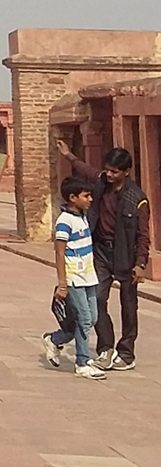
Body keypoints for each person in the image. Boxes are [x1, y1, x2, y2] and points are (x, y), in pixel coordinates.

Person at [56, 139, 150, 370]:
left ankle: (126, 352)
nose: (108, 174)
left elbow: (143, 235)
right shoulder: (100, 184)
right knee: (97, 300)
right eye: (107, 169)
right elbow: (86, 170)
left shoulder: (137, 199)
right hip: (100, 252)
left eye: (114, 171)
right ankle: (105, 347)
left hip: (126, 255)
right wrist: (68, 155)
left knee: (128, 305)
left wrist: (140, 263)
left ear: (126, 172)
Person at [43, 176, 107, 379]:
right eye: (86, 196)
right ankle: (82, 361)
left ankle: (55, 339)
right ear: (72, 197)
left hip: (89, 276)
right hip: (74, 279)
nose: (90, 199)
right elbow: (59, 253)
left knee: (91, 318)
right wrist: (62, 283)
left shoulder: (82, 217)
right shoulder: (64, 222)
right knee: (84, 319)